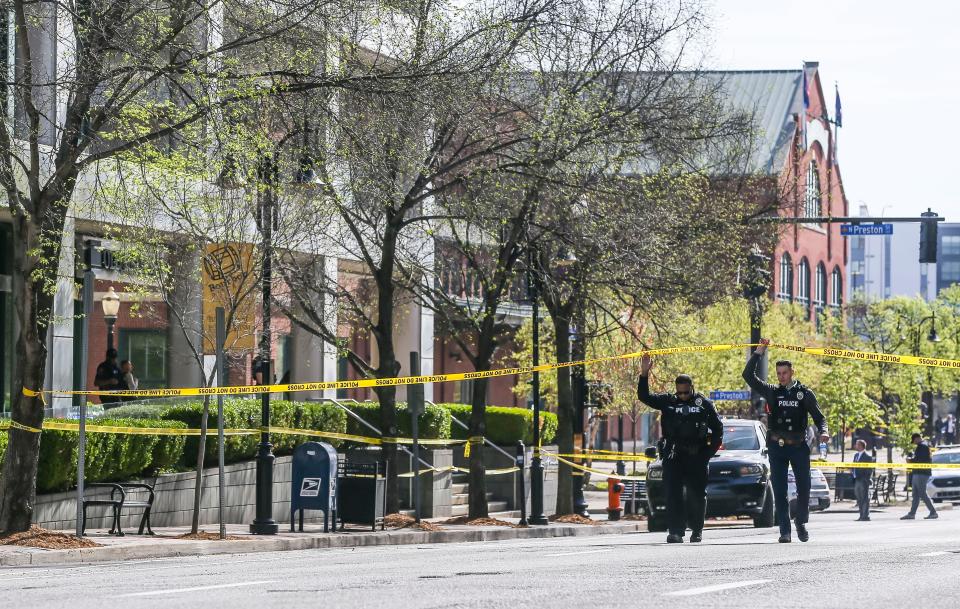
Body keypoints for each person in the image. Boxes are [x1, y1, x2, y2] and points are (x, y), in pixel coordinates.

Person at [743, 338, 828, 543]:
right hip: (777, 446)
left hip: (798, 446)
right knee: (780, 490)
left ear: (792, 372)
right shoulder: (772, 392)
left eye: (785, 373)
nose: (781, 377)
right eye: (779, 373)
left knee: (804, 487)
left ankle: (800, 521)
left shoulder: (804, 393)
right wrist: (758, 352)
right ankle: (785, 531)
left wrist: (824, 431)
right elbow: (748, 376)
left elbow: (819, 417)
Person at [638, 353, 723, 544]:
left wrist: (707, 454)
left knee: (696, 494)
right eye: (680, 393)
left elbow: (718, 430)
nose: (683, 396)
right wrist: (644, 374)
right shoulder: (668, 401)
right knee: (673, 493)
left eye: (686, 392)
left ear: (692, 388)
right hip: (673, 454)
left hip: (696, 455)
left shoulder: (704, 405)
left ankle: (696, 530)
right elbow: (644, 396)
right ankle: (675, 531)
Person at [902, 432, 938, 520]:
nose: (913, 443)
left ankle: (933, 512)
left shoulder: (923, 447)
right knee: (916, 494)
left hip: (922, 473)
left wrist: (911, 460)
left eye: (913, 440)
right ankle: (912, 513)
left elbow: (920, 459)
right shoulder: (921, 446)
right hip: (918, 472)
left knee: (922, 493)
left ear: (917, 438)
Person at [852, 439, 874, 521]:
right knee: (859, 499)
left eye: (857, 444)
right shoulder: (856, 455)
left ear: (861, 446)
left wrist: (865, 478)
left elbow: (869, 469)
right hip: (856, 480)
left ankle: (865, 516)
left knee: (864, 498)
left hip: (863, 480)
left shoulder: (867, 456)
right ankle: (861, 515)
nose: (855, 446)